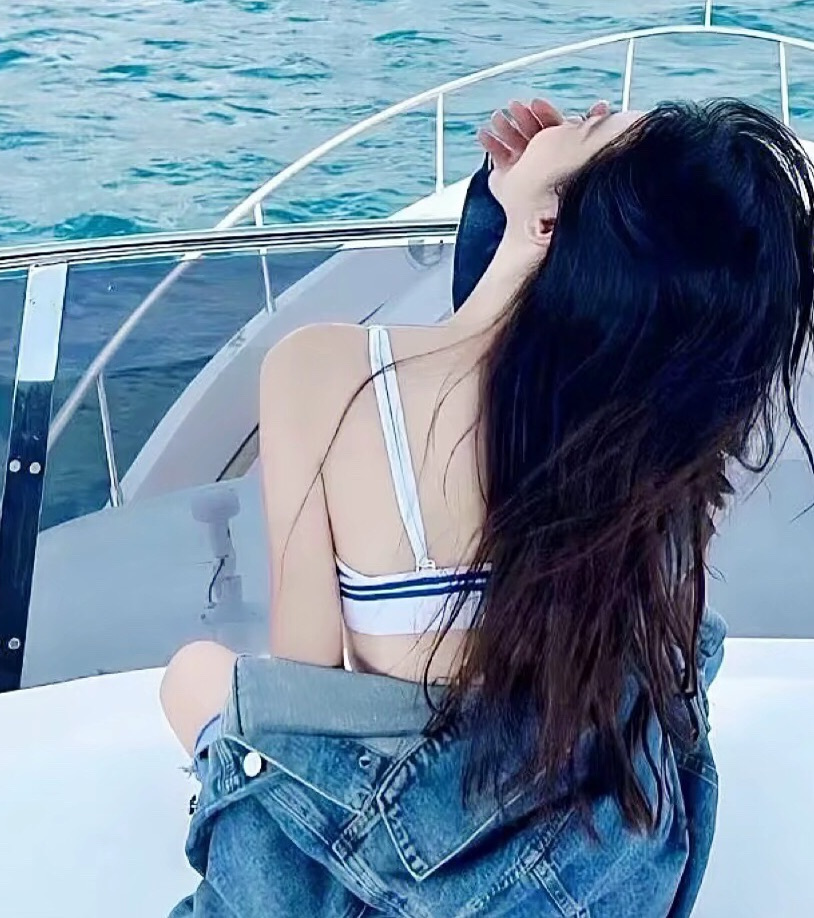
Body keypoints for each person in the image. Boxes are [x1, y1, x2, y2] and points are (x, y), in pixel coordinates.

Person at [160, 97, 814, 917]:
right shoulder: (656, 429)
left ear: (551, 225)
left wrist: (511, 228)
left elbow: (311, 706)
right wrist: (518, 222)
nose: (593, 110)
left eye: (601, 129)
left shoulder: (324, 374)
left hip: (406, 838)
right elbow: (518, 392)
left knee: (191, 677)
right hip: (597, 863)